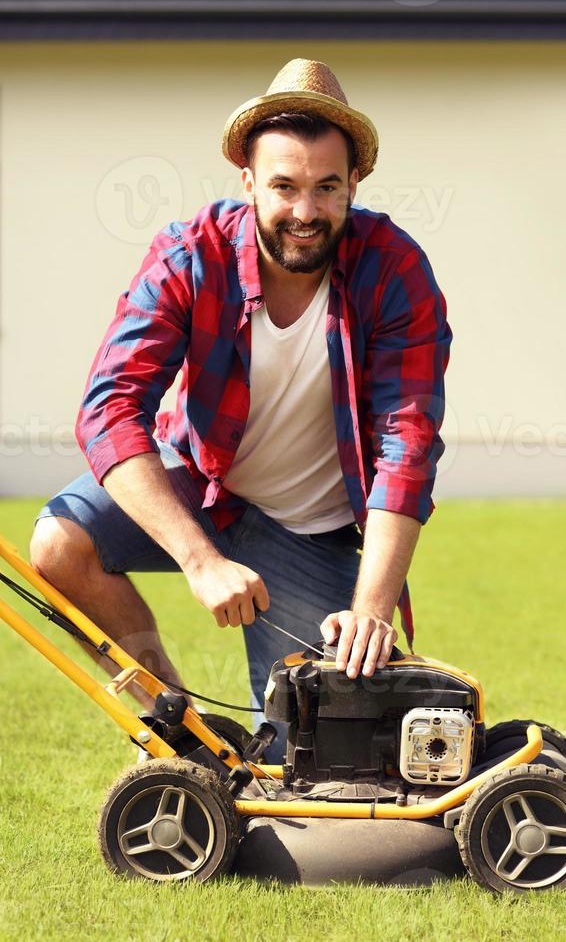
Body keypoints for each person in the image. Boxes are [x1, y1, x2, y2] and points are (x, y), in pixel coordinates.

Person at [30, 58, 452, 762]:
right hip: (202, 484)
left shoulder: (396, 270)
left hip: (310, 531)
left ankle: (299, 728)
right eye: (284, 186)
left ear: (355, 184)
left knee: (305, 763)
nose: (305, 212)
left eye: (326, 188)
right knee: (58, 545)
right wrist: (199, 561)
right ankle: (177, 730)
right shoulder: (189, 255)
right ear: (249, 181)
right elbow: (110, 409)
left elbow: (406, 445)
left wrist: (372, 609)